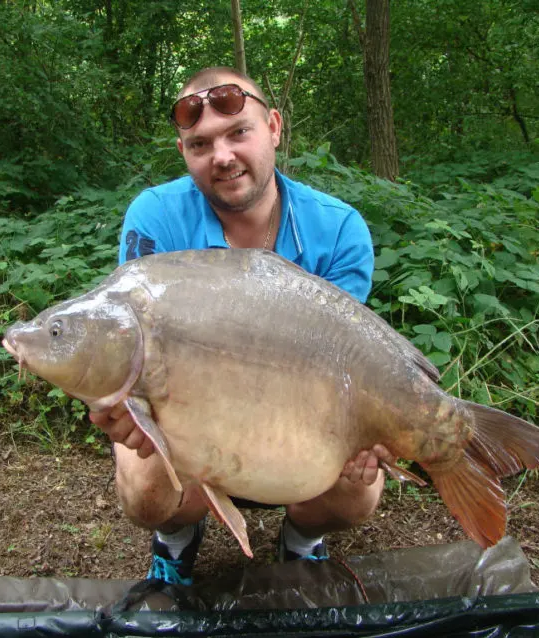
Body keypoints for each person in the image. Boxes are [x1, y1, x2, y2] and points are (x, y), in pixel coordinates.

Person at [90, 66, 384, 586]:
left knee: (360, 489)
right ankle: (177, 537)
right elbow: (129, 341)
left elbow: (348, 364)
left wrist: (365, 423)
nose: (221, 157)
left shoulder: (338, 229)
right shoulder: (155, 216)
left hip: (296, 429)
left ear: (273, 127)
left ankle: (301, 540)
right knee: (142, 482)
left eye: (238, 133)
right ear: (184, 153)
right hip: (193, 421)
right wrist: (122, 398)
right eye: (199, 143)